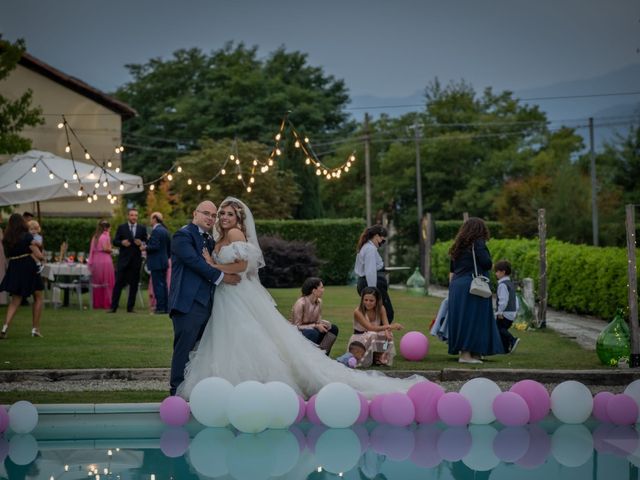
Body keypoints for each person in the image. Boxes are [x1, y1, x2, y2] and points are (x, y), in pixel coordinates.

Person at [176, 197, 424, 400]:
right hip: (224, 296)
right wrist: (216, 268)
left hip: (237, 293)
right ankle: (224, 384)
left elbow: (241, 266)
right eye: (221, 214)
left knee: (244, 336)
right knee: (225, 338)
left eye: (229, 214)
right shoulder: (217, 237)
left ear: (239, 218)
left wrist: (216, 268)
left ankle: (252, 384)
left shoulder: (236, 235)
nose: (223, 218)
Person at [168, 200, 241, 396]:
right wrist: (223, 277)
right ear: (195, 214)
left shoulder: (209, 240)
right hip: (188, 303)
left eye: (213, 215)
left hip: (208, 304)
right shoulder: (182, 236)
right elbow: (194, 262)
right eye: (206, 213)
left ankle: (194, 390)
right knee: (184, 349)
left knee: (200, 352)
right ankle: (176, 391)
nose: (210, 218)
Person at [447, 217, 504, 364]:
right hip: (473, 287)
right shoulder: (478, 243)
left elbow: (452, 269)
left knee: (462, 320)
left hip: (457, 286)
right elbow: (486, 263)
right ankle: (466, 355)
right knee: (473, 320)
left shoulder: (457, 246)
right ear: (481, 230)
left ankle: (472, 353)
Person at [0, 213, 44, 338]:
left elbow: (8, 255)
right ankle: (35, 328)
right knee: (38, 296)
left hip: (14, 267)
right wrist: (42, 258)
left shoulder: (6, 239)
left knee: (15, 300)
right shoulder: (27, 236)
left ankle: (5, 327)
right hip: (27, 266)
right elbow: (38, 254)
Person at [349, 286, 403, 367]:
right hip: (360, 338)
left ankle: (380, 356)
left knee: (387, 336)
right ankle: (366, 358)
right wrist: (391, 326)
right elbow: (370, 328)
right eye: (365, 300)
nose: (368, 303)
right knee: (372, 334)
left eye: (371, 300)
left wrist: (388, 333)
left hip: (372, 336)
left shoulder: (381, 308)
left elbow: (386, 326)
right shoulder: (358, 311)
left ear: (377, 301)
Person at [109, 208, 148, 313]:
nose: (134, 217)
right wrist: (122, 243)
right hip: (123, 260)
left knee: (134, 285)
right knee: (118, 284)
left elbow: (146, 241)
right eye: (132, 215)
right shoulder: (122, 227)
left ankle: (130, 308)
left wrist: (142, 244)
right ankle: (113, 307)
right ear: (128, 216)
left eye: (135, 215)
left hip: (136, 261)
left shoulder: (142, 228)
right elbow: (115, 241)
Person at [354, 225, 394, 323]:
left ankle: (373, 335)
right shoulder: (370, 249)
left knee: (374, 314)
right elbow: (370, 271)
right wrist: (372, 291)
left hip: (366, 283)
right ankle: (377, 336)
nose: (381, 244)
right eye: (382, 241)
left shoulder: (366, 247)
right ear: (376, 236)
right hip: (372, 285)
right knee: (387, 314)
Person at [290, 277, 339, 355]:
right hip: (299, 333)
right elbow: (296, 326)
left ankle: (323, 355)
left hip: (313, 329)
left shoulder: (319, 301)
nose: (324, 290)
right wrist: (316, 326)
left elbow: (318, 321)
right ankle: (309, 356)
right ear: (314, 290)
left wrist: (325, 324)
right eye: (322, 287)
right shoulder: (300, 303)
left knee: (333, 328)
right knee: (312, 333)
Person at [144, 212, 171, 314]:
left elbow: (155, 246)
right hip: (164, 261)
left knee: (158, 286)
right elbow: (168, 247)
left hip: (156, 262)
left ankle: (160, 308)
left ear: (155, 219)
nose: (150, 221)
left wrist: (145, 247)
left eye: (151, 218)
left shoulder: (156, 231)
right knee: (163, 285)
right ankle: (165, 307)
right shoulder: (165, 230)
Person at [87, 220, 115, 309]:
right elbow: (106, 249)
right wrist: (112, 250)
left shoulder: (95, 237)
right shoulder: (105, 236)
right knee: (107, 282)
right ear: (106, 228)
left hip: (96, 261)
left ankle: (97, 303)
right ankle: (106, 302)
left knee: (97, 283)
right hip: (105, 260)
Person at [494, 259, 520, 354]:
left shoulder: (502, 285)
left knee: (498, 329)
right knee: (502, 330)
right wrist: (516, 311)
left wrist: (499, 312)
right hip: (511, 312)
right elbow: (515, 299)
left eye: (497, 271)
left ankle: (512, 339)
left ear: (503, 272)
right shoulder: (511, 284)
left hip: (504, 313)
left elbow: (503, 300)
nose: (496, 273)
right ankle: (504, 349)